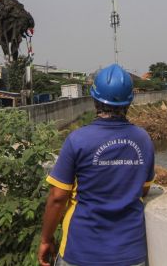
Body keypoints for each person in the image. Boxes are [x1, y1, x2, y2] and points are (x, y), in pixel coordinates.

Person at [38, 64, 154, 266]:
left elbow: (57, 198)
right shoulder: (143, 140)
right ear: (129, 102)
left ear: (95, 100)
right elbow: (143, 190)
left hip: (80, 251)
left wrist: (46, 240)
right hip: (130, 253)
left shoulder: (78, 140)